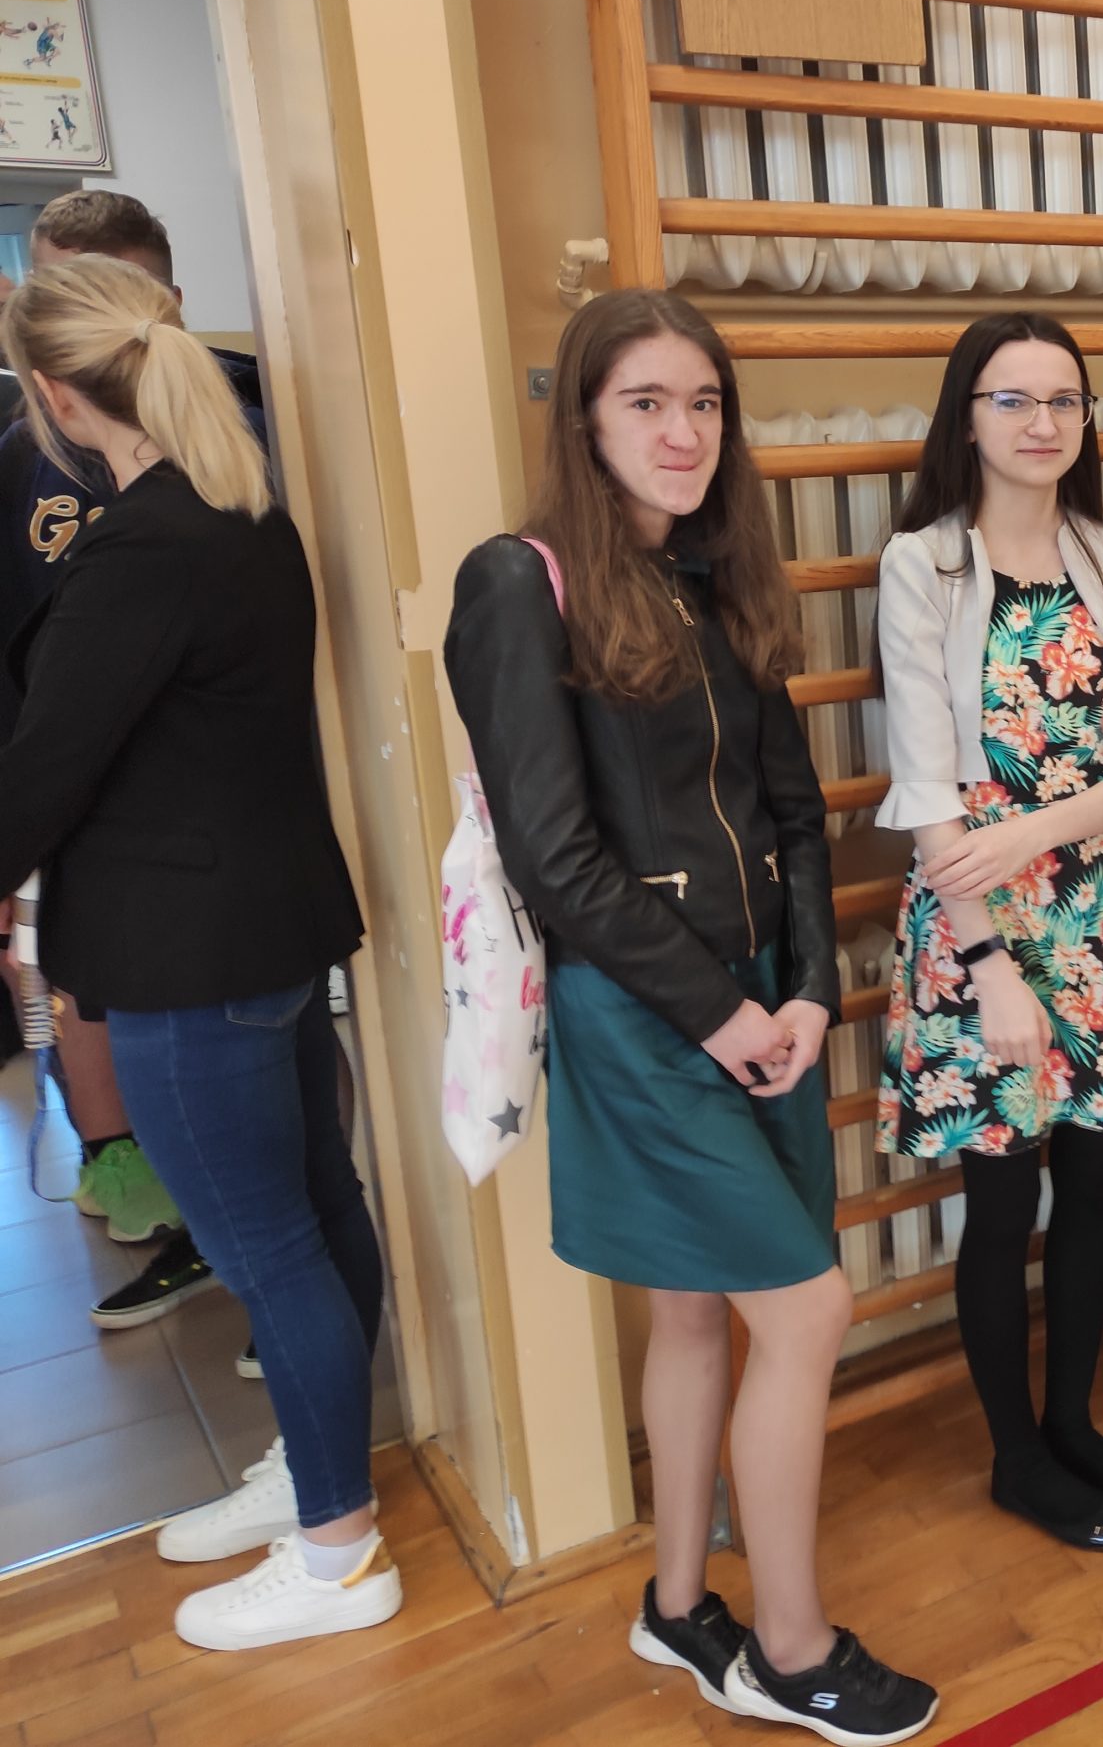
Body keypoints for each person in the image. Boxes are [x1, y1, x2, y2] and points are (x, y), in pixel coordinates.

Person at [445, 289, 935, 1743]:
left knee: (694, 1309)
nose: (683, 431)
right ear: (585, 420)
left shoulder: (719, 575)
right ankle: (788, 1648)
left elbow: (792, 812)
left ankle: (676, 1606)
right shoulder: (515, 582)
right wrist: (723, 1013)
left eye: (704, 403)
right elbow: (556, 860)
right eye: (646, 402)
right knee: (812, 1307)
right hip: (646, 1012)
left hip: (759, 1000)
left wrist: (806, 988)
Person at [0, 255, 384, 1649]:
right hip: (264, 928)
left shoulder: (144, 547)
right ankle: (315, 1471)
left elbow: (41, 770)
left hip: (189, 956)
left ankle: (338, 1550)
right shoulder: (241, 508)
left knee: (268, 1245)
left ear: (56, 397)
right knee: (317, 1211)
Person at [875, 313, 1103, 1552]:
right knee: (1004, 1194)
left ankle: (1072, 1420)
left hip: (1097, 912)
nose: (1041, 422)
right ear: (967, 418)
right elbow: (927, 789)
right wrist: (988, 962)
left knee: (1100, 1178)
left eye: (1063, 399)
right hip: (980, 932)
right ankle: (1017, 1455)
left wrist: (1026, 834)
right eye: (1011, 400)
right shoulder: (925, 562)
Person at [0, 190, 271, 1332]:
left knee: (253, 1081)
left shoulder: (234, 438)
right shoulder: (24, 454)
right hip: (72, 810)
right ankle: (150, 1190)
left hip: (210, 827)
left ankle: (252, 1259)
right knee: (87, 1010)